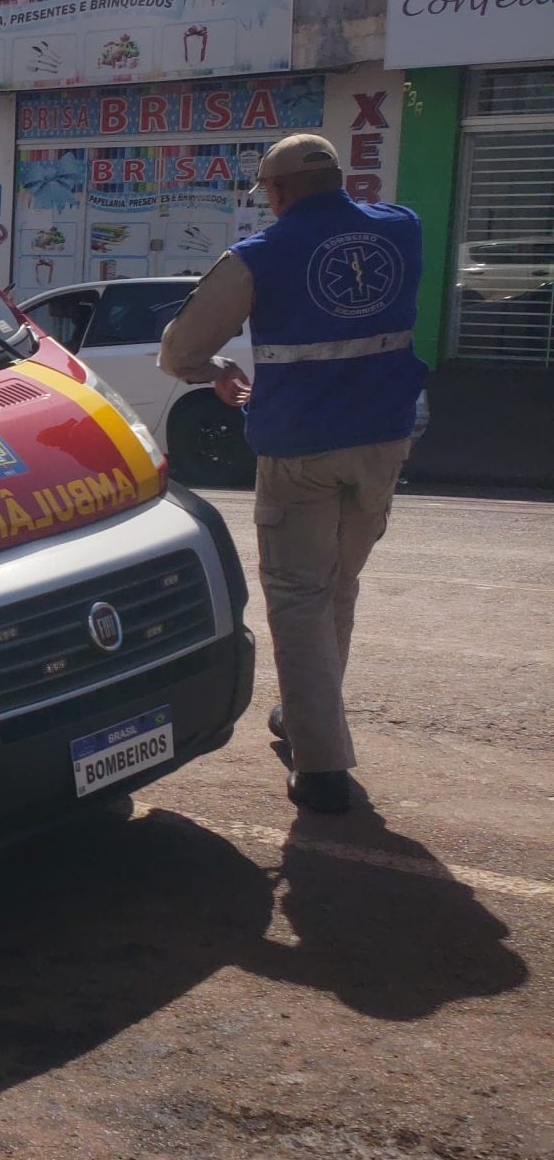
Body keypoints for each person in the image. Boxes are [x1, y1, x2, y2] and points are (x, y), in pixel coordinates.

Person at [159, 134, 425, 815]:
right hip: (384, 441)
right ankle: (310, 716)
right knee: (337, 586)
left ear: (276, 194)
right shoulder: (402, 228)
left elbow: (181, 349)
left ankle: (322, 766)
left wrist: (213, 372)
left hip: (301, 451)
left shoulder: (260, 255)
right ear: (339, 180)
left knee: (300, 598)